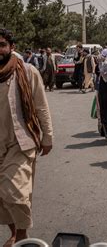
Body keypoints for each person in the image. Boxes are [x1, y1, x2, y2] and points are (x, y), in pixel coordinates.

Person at [0, 28, 53, 246]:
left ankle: (22, 236)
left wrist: (47, 136)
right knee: (2, 197)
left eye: (2, 44)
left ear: (12, 47)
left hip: (20, 142)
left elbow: (41, 106)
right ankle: (14, 233)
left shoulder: (28, 72)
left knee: (14, 193)